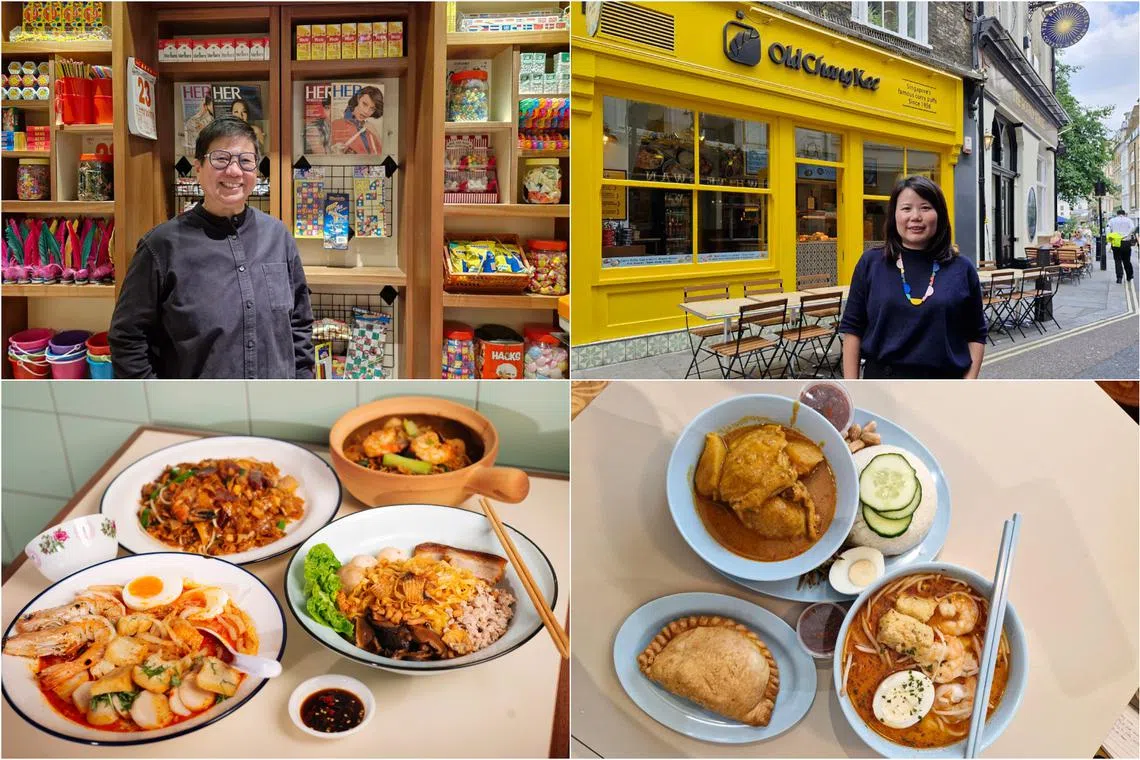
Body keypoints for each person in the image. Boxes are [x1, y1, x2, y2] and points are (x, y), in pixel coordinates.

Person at [109, 117, 314, 378]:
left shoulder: (278, 236)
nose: (234, 171)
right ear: (198, 168)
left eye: (245, 161)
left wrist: (301, 385)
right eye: (220, 159)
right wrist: (158, 404)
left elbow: (299, 323)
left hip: (274, 407)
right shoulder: (161, 246)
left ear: (256, 171)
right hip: (196, 414)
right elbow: (128, 338)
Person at [839, 175, 987, 379]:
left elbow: (976, 333)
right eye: (906, 208)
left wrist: (967, 384)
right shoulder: (871, 263)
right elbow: (853, 330)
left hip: (944, 386)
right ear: (894, 216)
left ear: (940, 214)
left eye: (925, 208)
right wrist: (854, 390)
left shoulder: (962, 268)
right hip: (883, 385)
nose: (916, 216)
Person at [331, 85, 383, 155]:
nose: (366, 111)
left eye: (372, 109)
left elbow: (382, 157)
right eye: (364, 104)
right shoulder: (336, 124)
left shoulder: (370, 130)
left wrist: (376, 134)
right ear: (358, 98)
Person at [1106, 208, 1136, 283]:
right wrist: (1126, 234)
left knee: (1117, 260)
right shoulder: (1128, 220)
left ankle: (1119, 278)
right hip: (1126, 242)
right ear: (1124, 214)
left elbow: (1107, 229)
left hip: (1116, 242)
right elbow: (1132, 228)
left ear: (1117, 214)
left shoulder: (1112, 220)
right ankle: (1129, 276)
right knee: (1127, 260)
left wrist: (1109, 237)